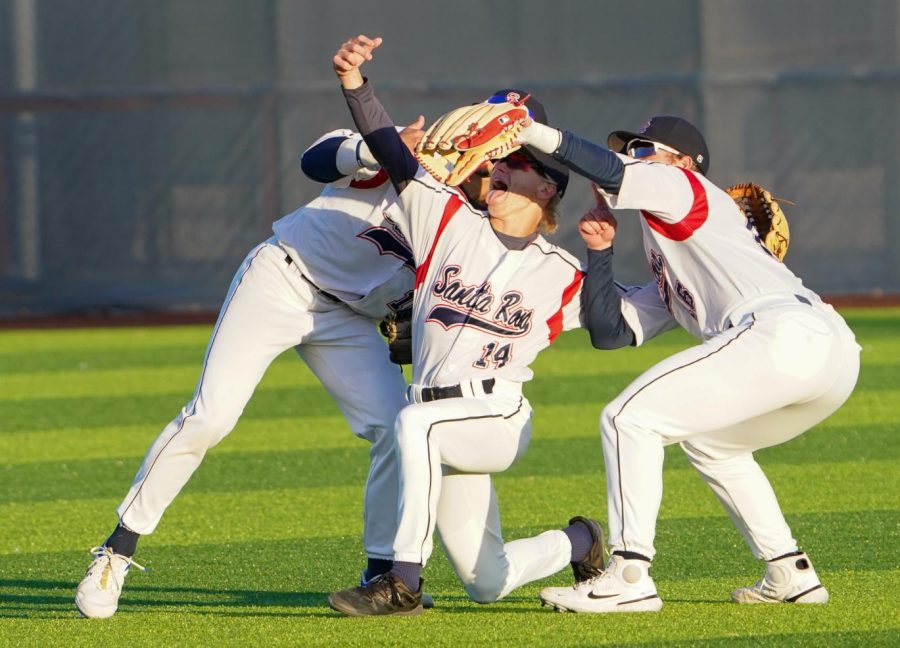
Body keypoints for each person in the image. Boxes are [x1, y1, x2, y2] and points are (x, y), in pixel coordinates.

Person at [73, 121, 465, 618]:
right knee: (210, 416)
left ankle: (381, 573)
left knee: (397, 428)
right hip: (282, 278)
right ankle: (117, 551)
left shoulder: (465, 225)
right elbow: (317, 160)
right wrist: (377, 147)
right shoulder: (399, 161)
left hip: (347, 317)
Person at [509, 115, 862, 612]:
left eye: (643, 147)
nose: (633, 153)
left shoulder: (685, 185)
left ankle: (629, 576)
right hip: (828, 356)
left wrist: (530, 132)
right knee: (713, 446)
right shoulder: (673, 263)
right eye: (629, 146)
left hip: (781, 332)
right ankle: (789, 571)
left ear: (681, 161)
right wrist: (601, 252)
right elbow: (612, 334)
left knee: (628, 417)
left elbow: (611, 171)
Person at [324, 35, 609, 617]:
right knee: (487, 579)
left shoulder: (562, 272)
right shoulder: (446, 219)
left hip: (494, 417)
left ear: (549, 188)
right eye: (499, 159)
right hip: (436, 424)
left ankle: (402, 583)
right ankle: (581, 541)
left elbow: (617, 325)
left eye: (520, 164)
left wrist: (613, 257)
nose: (501, 168)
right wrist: (356, 84)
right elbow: (394, 155)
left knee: (413, 424)